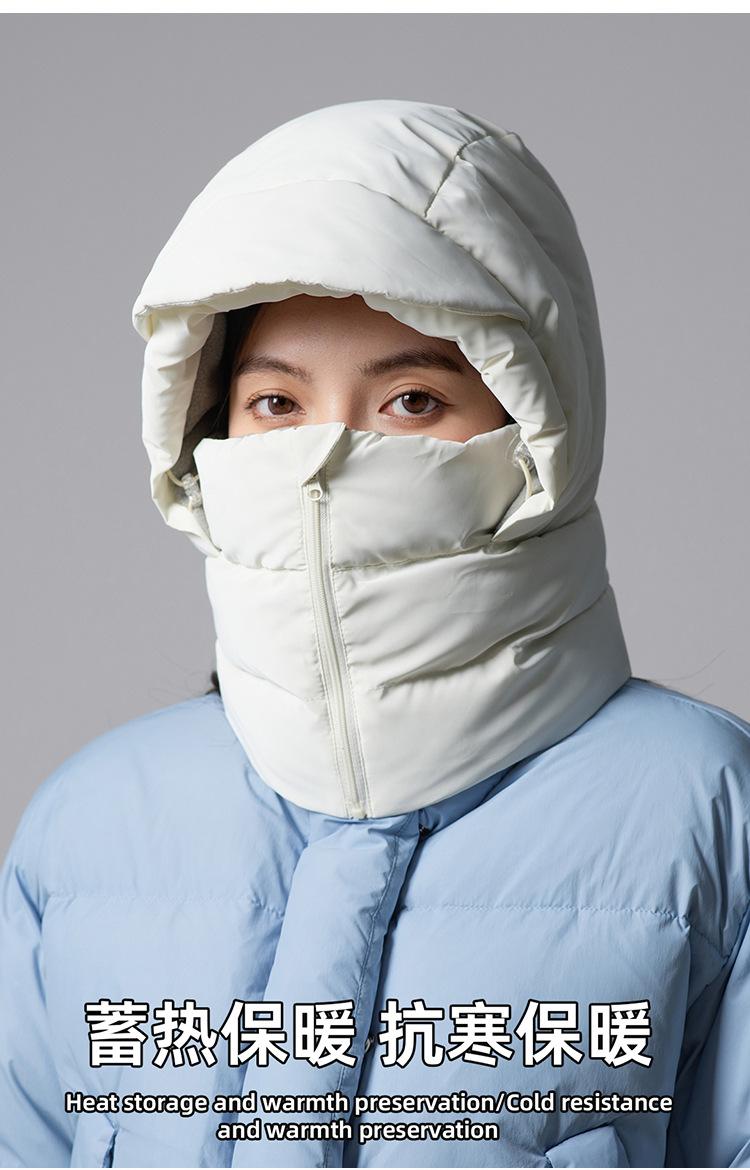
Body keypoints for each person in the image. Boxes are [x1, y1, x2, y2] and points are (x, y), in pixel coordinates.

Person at [0, 98, 748, 1169]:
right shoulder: (92, 823)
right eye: (275, 404)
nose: (324, 460)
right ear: (205, 428)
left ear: (541, 424)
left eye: (411, 402)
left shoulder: (705, 812)